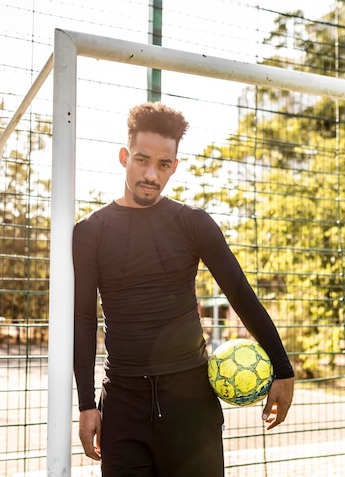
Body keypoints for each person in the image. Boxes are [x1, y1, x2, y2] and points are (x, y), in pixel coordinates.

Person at [73, 101, 294, 476]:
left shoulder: (193, 224)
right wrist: (85, 404)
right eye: (142, 160)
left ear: (174, 166)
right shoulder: (91, 231)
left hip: (192, 404)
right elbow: (82, 320)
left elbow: (240, 294)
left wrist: (283, 369)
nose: (151, 174)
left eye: (163, 165)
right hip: (124, 405)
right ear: (125, 156)